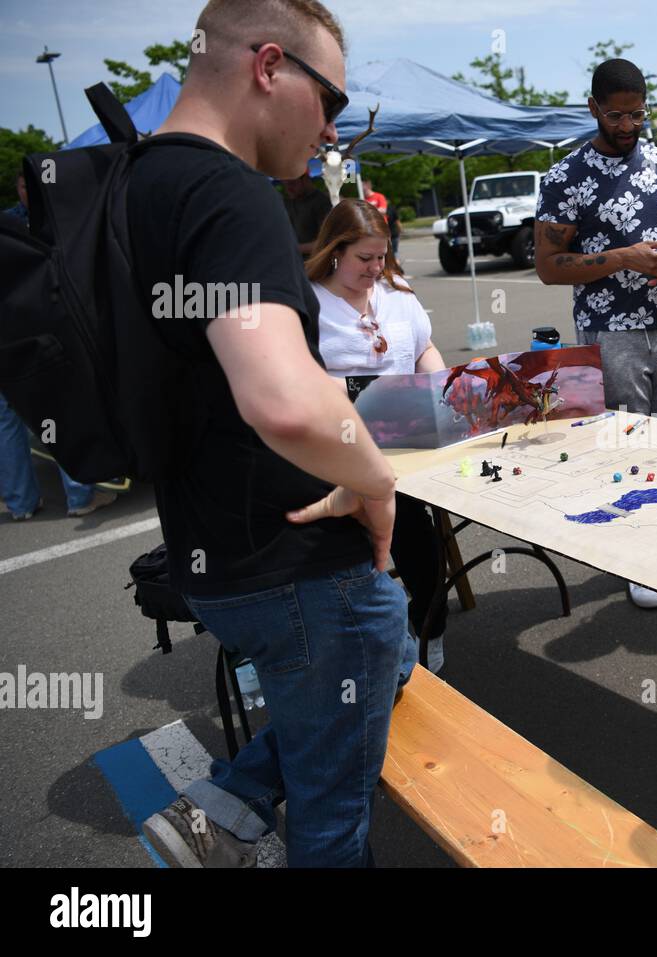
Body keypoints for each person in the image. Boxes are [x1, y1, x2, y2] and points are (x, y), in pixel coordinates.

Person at [134, 0, 416, 868]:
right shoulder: (231, 192)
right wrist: (376, 482)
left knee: (388, 659)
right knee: (336, 822)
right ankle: (234, 801)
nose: (333, 127)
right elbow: (285, 401)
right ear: (267, 67)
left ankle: (231, 799)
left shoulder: (134, 183)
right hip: (300, 567)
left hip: (210, 553)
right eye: (329, 97)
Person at [534, 57, 657, 610]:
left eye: (638, 114)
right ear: (593, 109)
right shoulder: (565, 178)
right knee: (628, 446)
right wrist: (621, 258)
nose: (629, 125)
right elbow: (549, 265)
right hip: (609, 332)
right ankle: (636, 557)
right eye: (617, 115)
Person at [306, 198, 448, 670]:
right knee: (359, 532)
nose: (375, 268)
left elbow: (424, 346)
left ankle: (431, 627)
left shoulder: (398, 292)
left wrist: (442, 388)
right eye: (364, 259)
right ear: (333, 252)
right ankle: (364, 631)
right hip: (337, 448)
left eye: (381, 256)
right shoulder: (308, 303)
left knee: (415, 530)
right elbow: (295, 381)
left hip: (405, 442)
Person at [2, 172, 116, 520]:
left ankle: (22, 502)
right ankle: (78, 496)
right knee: (59, 405)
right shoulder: (56, 217)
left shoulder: (9, 224)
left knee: (11, 417)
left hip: (13, 330)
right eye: (25, 185)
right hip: (40, 327)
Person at [280, 171, 332, 258]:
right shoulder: (288, 203)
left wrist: (295, 248)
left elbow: (326, 242)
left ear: (306, 179)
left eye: (291, 183)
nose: (288, 188)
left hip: (314, 263)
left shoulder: (321, 202)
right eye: (285, 184)